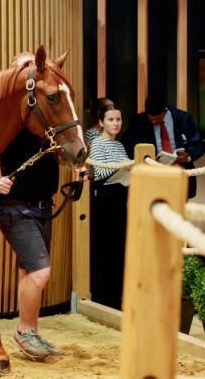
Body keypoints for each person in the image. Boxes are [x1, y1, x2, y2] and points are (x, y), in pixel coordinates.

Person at [0, 129, 65, 361]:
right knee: (40, 272)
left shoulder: (50, 128)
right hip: (15, 207)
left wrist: (79, 169)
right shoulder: (11, 126)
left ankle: (31, 332)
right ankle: (24, 331)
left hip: (42, 207)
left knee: (29, 271)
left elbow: (61, 154)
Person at [122, 96, 205, 198]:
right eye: (151, 118)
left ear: (165, 111)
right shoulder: (137, 122)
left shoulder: (184, 119)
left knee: (179, 209)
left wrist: (188, 155)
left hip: (179, 173)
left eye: (157, 118)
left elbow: (198, 144)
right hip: (151, 177)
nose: (153, 122)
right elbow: (127, 146)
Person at [88, 104, 129, 310]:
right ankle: (104, 297)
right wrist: (122, 165)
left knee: (119, 247)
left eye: (118, 119)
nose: (116, 123)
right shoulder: (97, 143)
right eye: (111, 120)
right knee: (105, 248)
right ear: (102, 122)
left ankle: (116, 295)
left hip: (121, 198)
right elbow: (98, 173)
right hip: (104, 201)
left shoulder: (120, 145)